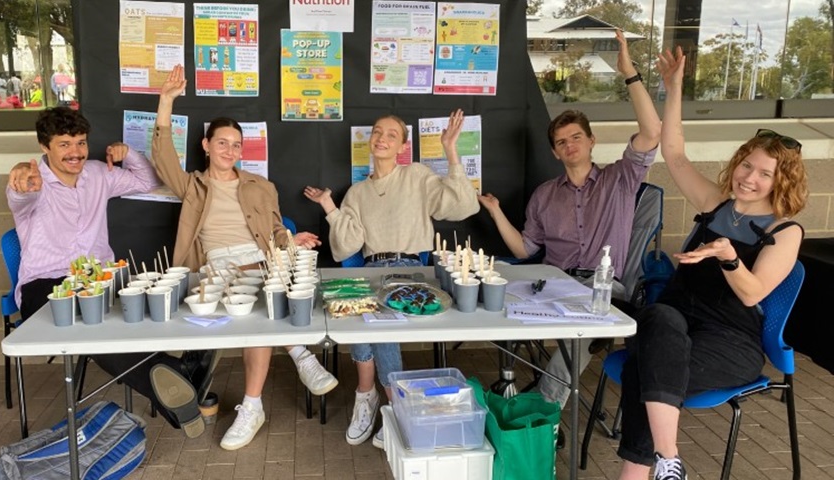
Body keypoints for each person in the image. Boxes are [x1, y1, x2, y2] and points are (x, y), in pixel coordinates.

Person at [616, 47, 807, 480]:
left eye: (764, 173)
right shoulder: (715, 203)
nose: (749, 177)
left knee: (642, 369)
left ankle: (645, 469)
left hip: (730, 343)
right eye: (746, 164)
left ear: (782, 181)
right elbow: (675, 153)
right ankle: (668, 458)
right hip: (676, 323)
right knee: (659, 316)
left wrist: (728, 256)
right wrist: (674, 87)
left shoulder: (784, 231)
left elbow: (754, 292)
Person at [151, 65, 337, 451]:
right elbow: (163, 156)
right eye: (222, 143)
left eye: (236, 145)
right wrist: (166, 101)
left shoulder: (260, 186)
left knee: (261, 294)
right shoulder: (192, 185)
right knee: (262, 298)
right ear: (206, 146)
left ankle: (253, 407)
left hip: (260, 260)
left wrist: (292, 239)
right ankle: (300, 353)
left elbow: (274, 234)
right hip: (215, 267)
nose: (230, 151)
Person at [477, 29, 660, 417]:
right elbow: (524, 250)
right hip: (554, 285)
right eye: (561, 142)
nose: (569, 145)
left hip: (604, 288)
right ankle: (509, 386)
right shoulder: (545, 194)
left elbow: (652, 132)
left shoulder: (621, 179)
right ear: (555, 151)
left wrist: (629, 74)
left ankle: (542, 417)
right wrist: (495, 211)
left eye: (576, 137)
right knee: (492, 303)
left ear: (591, 141)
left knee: (572, 344)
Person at [6, 107, 216, 439]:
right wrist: (21, 181)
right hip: (46, 286)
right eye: (64, 144)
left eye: (80, 142)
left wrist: (128, 153)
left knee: (131, 311)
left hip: (101, 279)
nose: (75, 152)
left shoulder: (97, 174)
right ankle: (177, 373)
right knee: (93, 327)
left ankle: (175, 388)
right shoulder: (32, 182)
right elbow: (20, 196)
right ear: (44, 146)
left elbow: (148, 179)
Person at [303, 109, 479, 447]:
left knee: (378, 323)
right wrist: (328, 204)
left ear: (402, 145)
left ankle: (376, 398)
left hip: (412, 272)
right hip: (371, 271)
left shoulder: (416, 175)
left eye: (391, 135)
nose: (382, 138)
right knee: (359, 314)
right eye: (377, 132)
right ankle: (383, 401)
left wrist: (450, 149)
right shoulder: (357, 192)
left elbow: (461, 206)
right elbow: (348, 245)